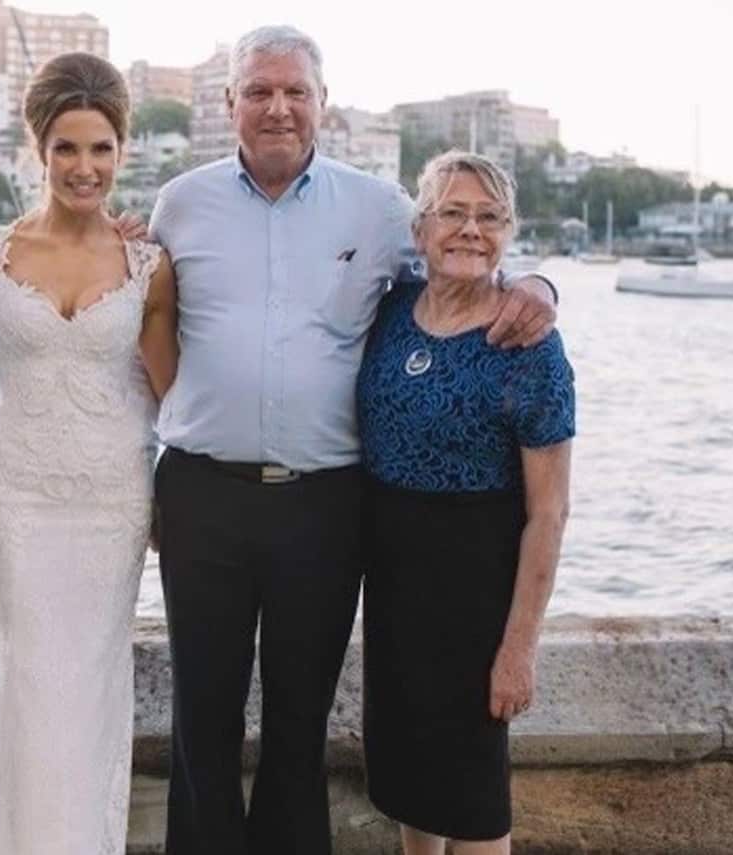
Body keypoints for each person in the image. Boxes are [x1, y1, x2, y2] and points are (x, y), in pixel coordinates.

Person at [147, 25, 558, 855]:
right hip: (202, 495)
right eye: (259, 91)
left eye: (296, 91)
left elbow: (457, 270)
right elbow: (146, 319)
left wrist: (537, 282)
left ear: (323, 105)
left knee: (300, 721)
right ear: (229, 104)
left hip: (324, 504)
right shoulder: (179, 202)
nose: (278, 107)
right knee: (203, 715)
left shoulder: (375, 209)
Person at [0, 52, 179, 854]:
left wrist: (177, 502)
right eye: (67, 150)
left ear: (123, 151)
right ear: (38, 150)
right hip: (20, 498)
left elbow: (177, 398)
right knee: (33, 678)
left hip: (113, 503)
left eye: (102, 149)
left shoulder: (149, 268)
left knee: (89, 686)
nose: (85, 168)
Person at [356, 150, 574, 855]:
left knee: (476, 802)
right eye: (453, 212)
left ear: (508, 233)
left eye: (488, 217)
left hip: (478, 594)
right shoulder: (389, 312)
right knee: (410, 785)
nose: (470, 230)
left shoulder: (529, 343)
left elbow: (549, 512)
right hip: (392, 589)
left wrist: (519, 648)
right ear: (421, 229)